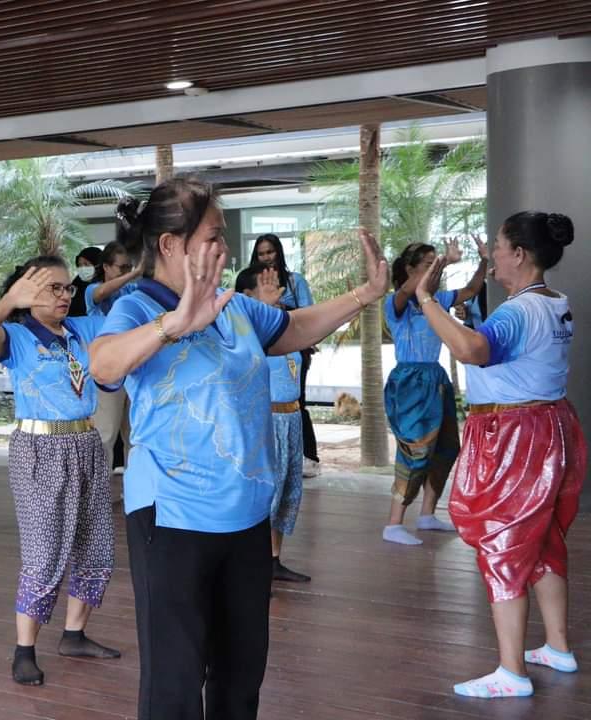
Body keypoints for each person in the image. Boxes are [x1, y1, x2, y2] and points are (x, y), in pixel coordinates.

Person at [88, 178, 389, 720]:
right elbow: (103, 365)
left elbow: (293, 327)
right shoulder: (136, 307)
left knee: (240, 674)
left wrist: (365, 294)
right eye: (213, 237)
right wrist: (174, 324)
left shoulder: (234, 308)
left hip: (247, 515)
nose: (225, 250)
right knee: (175, 680)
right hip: (173, 517)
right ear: (170, 245)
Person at [413, 211, 584, 699]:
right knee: (544, 539)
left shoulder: (518, 312)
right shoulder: (554, 302)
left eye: (498, 247)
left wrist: (427, 299)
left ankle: (512, 672)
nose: (492, 256)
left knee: (503, 543)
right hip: (549, 424)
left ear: (519, 254)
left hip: (515, 435)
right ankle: (557, 647)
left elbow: (472, 350)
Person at [0, 256, 118, 686]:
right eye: (53, 288)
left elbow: (125, 325)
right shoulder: (17, 336)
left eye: (67, 287)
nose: (64, 295)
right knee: (43, 554)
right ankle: (24, 650)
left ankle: (74, 634)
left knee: (96, 547)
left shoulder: (81, 330)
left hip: (86, 443)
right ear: (27, 291)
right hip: (40, 449)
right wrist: (9, 301)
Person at [381, 237, 488, 546]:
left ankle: (427, 515)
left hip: (436, 378)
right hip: (410, 381)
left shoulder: (436, 299)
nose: (434, 271)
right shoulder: (396, 302)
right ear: (410, 269)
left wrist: (483, 260)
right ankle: (393, 523)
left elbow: (471, 290)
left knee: (446, 447)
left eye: (435, 264)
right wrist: (441, 265)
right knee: (415, 451)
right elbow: (407, 291)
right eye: (428, 265)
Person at [236, 264, 311, 584]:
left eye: (277, 284)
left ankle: (274, 559)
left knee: (289, 490)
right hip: (268, 420)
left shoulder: (283, 326)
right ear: (246, 296)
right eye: (266, 285)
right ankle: (253, 566)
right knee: (267, 494)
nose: (277, 291)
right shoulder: (246, 332)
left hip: (291, 417)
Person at [250, 233, 321, 478]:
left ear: (278, 252)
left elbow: (309, 313)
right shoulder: (252, 282)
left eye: (270, 252)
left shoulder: (294, 281)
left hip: (293, 349)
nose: (266, 257)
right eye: (261, 253)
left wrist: (281, 308)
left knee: (296, 401)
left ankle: (308, 457)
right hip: (264, 350)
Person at [87, 239, 144, 482]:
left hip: (135, 368)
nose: (127, 272)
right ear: (106, 267)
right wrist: (135, 273)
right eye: (122, 267)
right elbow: (101, 293)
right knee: (105, 433)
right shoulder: (92, 290)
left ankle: (136, 491)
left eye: (129, 266)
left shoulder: (132, 291)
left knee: (136, 435)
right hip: (108, 371)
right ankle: (98, 492)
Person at [68, 246, 102, 317]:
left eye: (86, 264)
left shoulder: (103, 287)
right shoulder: (77, 282)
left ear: (98, 265)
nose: (82, 268)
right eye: (79, 265)